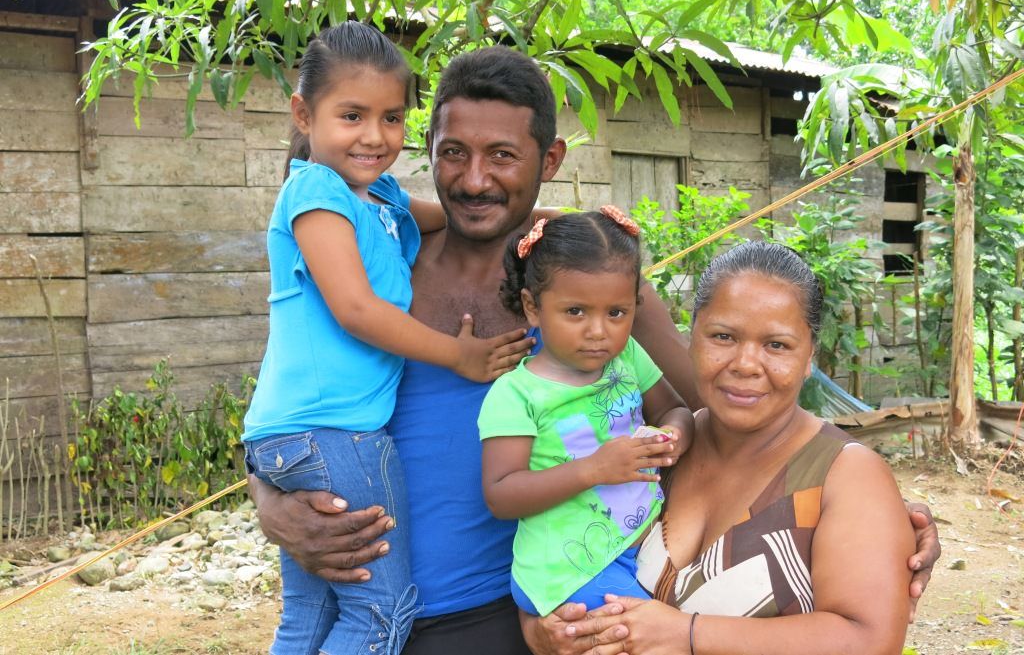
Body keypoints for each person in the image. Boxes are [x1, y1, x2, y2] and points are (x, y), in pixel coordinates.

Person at [248, 45, 941, 655]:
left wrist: (871, 511)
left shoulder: (591, 287)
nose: (475, 179)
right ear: (426, 149)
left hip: (532, 606)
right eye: (453, 153)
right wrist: (269, 501)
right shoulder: (379, 265)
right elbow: (296, 403)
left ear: (549, 160)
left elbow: (729, 411)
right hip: (376, 606)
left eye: (503, 156)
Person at [242, 25, 533, 655]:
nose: (374, 136)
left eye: (392, 117)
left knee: (312, 612)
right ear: (303, 115)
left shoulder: (380, 200)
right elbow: (355, 309)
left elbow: (457, 216)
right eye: (352, 115)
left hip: (298, 432)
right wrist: (458, 354)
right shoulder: (315, 192)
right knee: (381, 610)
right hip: (336, 432)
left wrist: (553, 221)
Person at [572, 242, 915, 655]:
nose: (746, 364)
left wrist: (687, 634)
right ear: (692, 337)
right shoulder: (656, 449)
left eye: (777, 345)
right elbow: (555, 543)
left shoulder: (847, 475)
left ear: (810, 355)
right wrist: (542, 626)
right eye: (723, 336)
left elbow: (871, 640)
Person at [479, 209, 694, 617]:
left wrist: (673, 437)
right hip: (569, 571)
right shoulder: (517, 394)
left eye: (616, 313)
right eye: (575, 311)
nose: (598, 331)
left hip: (639, 547)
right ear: (532, 307)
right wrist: (593, 470)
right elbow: (501, 495)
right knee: (656, 632)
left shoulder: (626, 357)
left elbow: (675, 409)